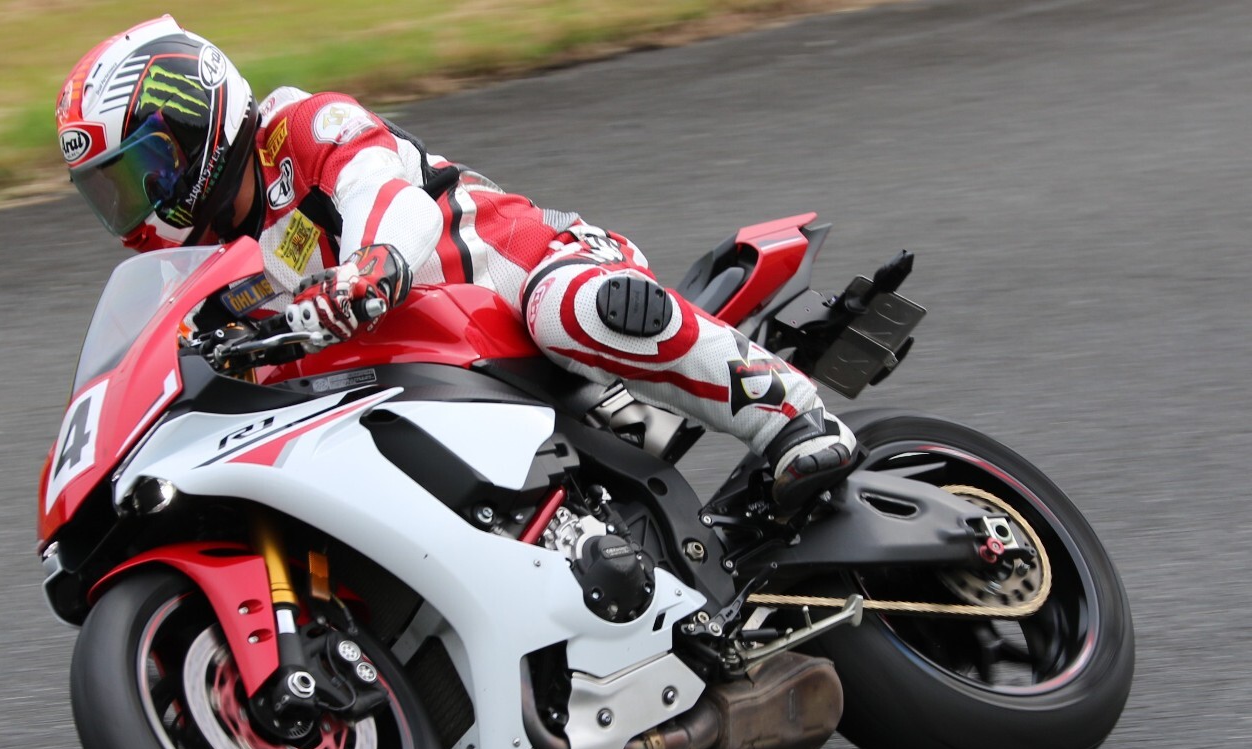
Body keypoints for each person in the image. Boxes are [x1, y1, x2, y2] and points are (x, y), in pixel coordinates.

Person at [56, 16, 859, 510]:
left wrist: (372, 266)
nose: (132, 209)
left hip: (534, 274)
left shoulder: (303, 126)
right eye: (110, 196)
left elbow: (389, 198)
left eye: (139, 174)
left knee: (571, 309)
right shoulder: (217, 264)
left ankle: (792, 416)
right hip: (424, 374)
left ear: (190, 124)